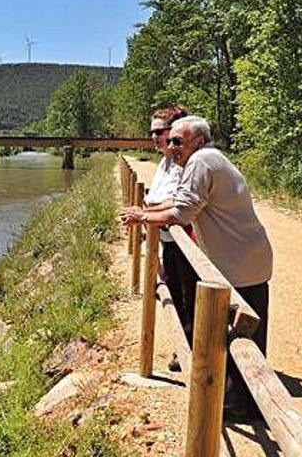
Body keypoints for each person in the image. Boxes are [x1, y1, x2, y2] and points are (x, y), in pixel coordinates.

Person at [120, 116, 273, 420]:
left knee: (238, 334)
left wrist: (142, 217)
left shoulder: (200, 163)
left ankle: (239, 406)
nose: (171, 146)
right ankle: (241, 403)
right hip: (246, 257)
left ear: (198, 141)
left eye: (178, 140)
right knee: (243, 334)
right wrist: (146, 211)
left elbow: (183, 212)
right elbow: (180, 202)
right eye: (171, 140)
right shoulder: (208, 159)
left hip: (240, 260)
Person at [144, 106, 199, 372]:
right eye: (152, 132)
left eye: (159, 131)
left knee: (188, 299)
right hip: (167, 239)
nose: (154, 136)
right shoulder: (165, 162)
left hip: (184, 241)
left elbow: (177, 201)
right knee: (174, 293)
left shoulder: (182, 163)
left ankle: (188, 354)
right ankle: (183, 349)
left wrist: (144, 214)